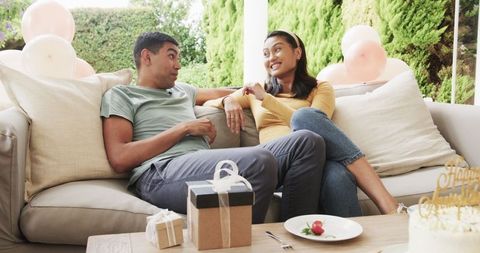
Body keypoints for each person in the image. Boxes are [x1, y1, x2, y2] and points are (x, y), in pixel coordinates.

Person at [100, 31, 328, 223]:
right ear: (146, 57)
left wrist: (229, 101)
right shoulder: (123, 95)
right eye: (171, 56)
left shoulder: (183, 90)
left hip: (201, 167)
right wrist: (184, 128)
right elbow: (120, 158)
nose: (178, 65)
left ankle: (297, 236)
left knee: (308, 141)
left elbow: (234, 93)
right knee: (259, 161)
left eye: (179, 57)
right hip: (159, 174)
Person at [205, 30, 399, 215]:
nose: (271, 57)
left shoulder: (320, 88)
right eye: (266, 53)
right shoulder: (257, 91)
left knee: (337, 176)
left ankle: (357, 246)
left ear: (297, 53)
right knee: (304, 116)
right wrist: (228, 100)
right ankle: (388, 203)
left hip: (317, 158)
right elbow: (207, 101)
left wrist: (267, 100)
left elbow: (317, 126)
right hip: (277, 161)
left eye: (277, 49)